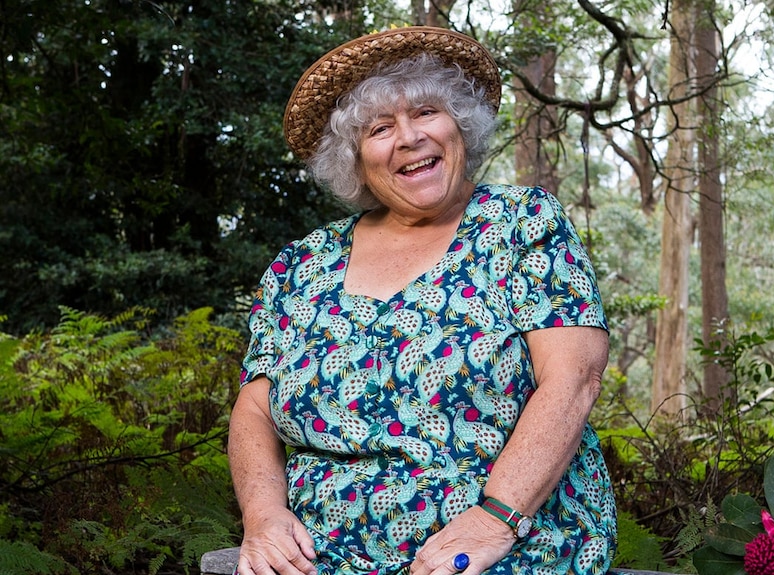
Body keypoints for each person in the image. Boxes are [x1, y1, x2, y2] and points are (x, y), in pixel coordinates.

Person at [228, 26, 618, 575]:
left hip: (506, 546)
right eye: (380, 128)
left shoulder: (522, 223)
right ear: (356, 160)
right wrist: (264, 516)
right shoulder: (302, 265)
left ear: (461, 124)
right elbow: (254, 407)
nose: (409, 138)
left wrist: (494, 519)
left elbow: (575, 379)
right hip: (320, 557)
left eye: (427, 112)